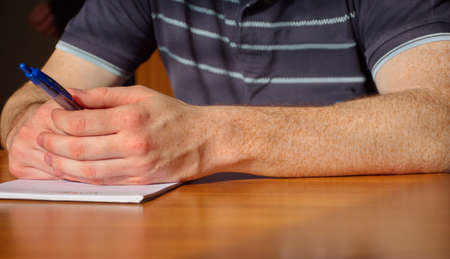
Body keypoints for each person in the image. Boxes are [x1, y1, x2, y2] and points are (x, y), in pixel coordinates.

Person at [1, 0, 448, 185]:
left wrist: (209, 138)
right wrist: (32, 131)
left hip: (362, 241)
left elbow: (439, 120)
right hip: (197, 235)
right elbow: (29, 99)